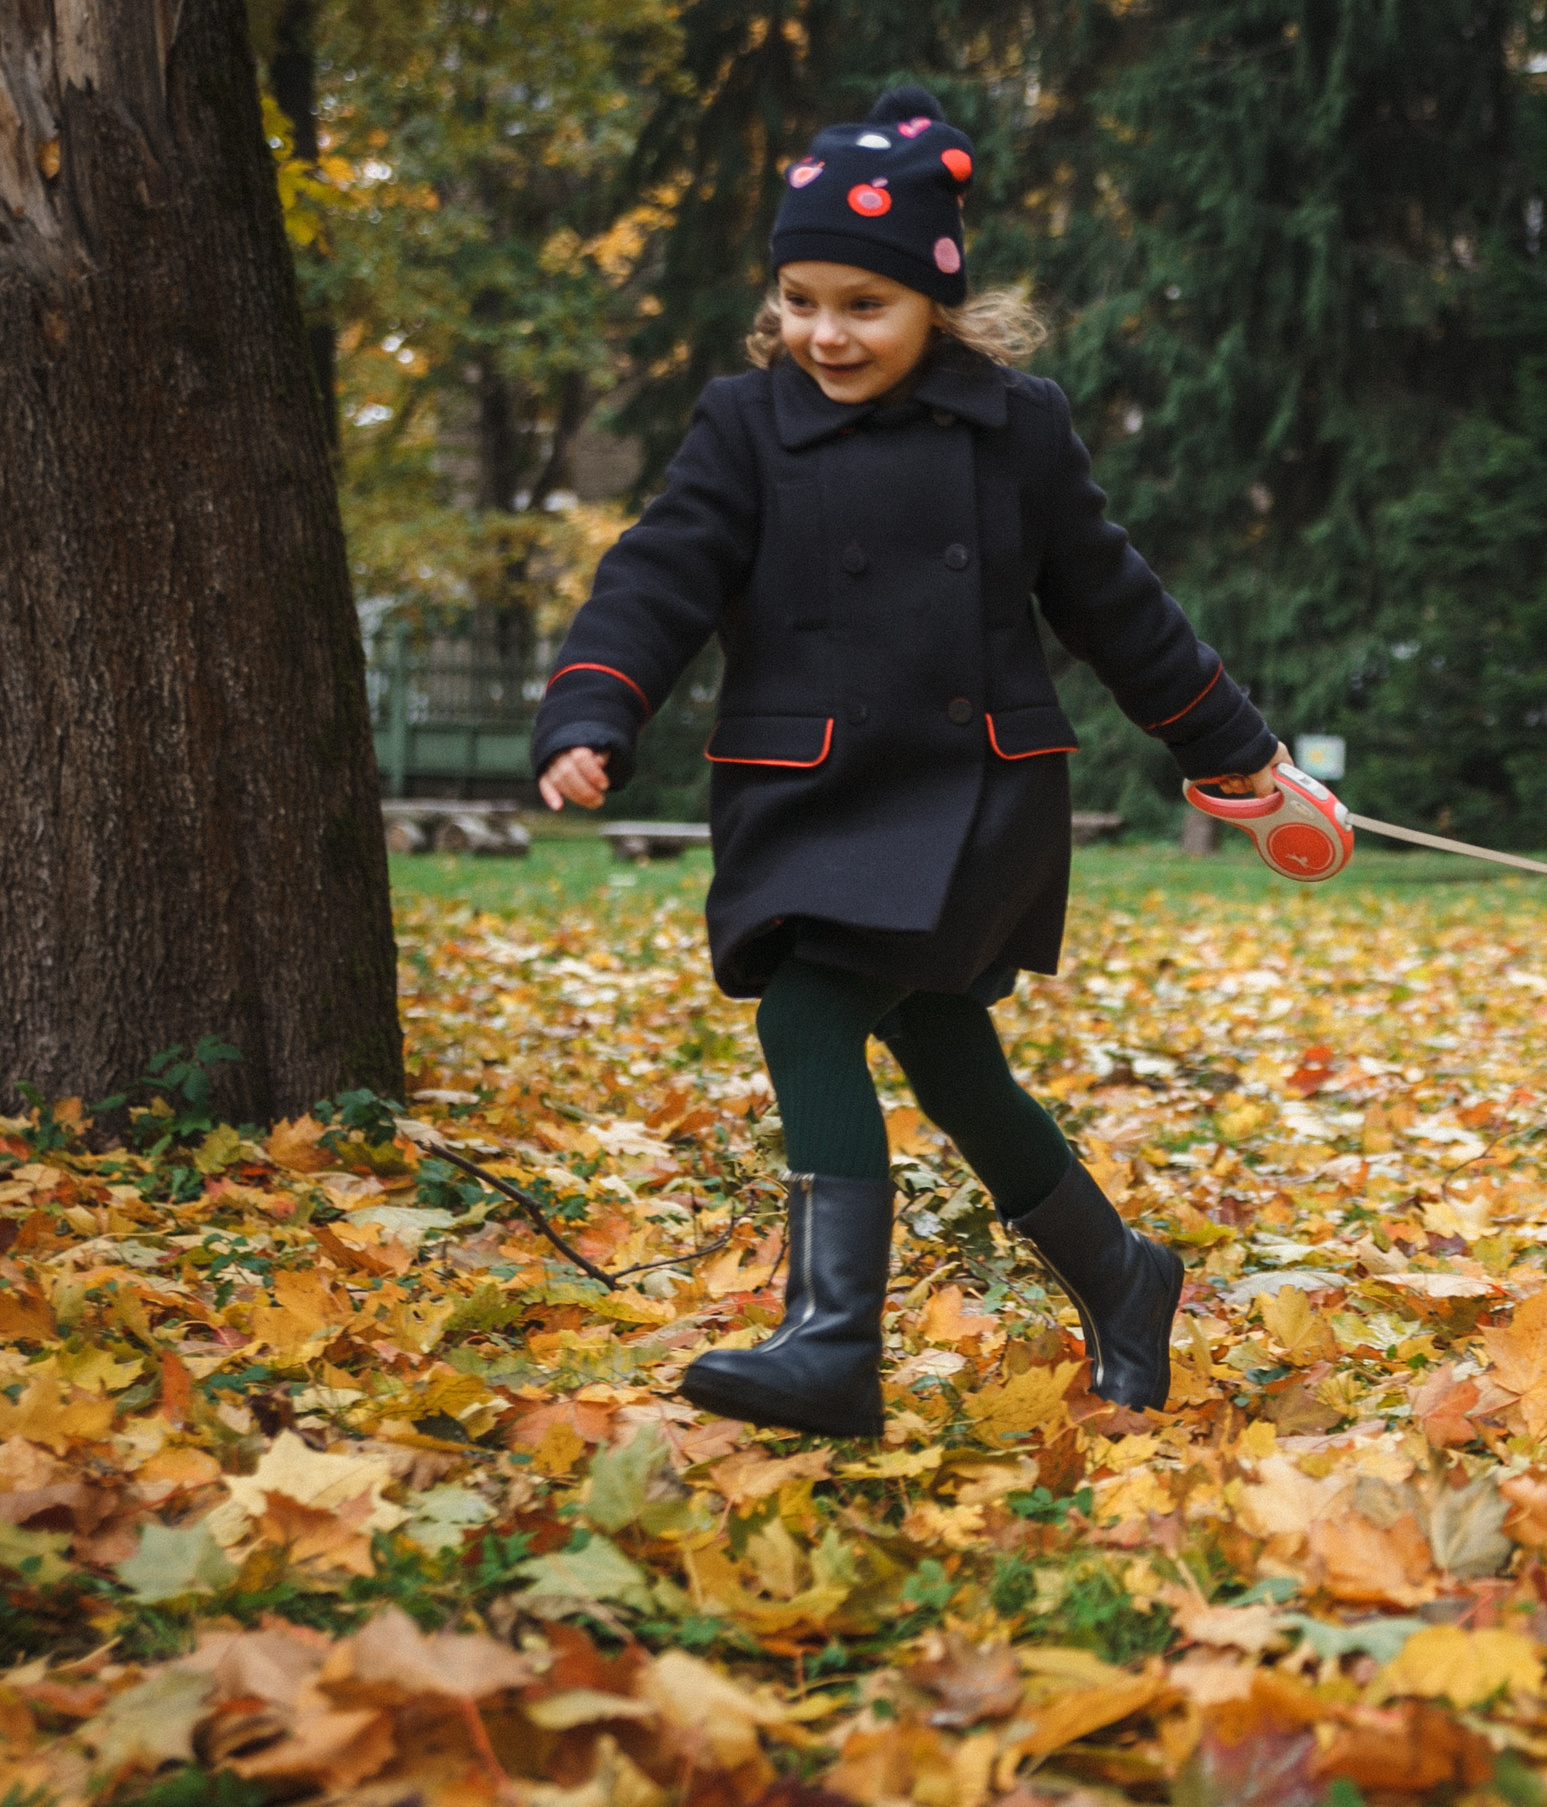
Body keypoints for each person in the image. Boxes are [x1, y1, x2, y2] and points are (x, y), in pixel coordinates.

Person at [530, 85, 1293, 1439]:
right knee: (949, 1057)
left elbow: (1115, 603)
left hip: (969, 791)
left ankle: (832, 1344)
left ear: (936, 303)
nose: (826, 333)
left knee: (809, 1013)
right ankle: (1125, 1278)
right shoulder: (745, 425)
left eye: (864, 305)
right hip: (810, 789)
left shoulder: (1016, 428)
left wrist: (1229, 746)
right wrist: (594, 708)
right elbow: (658, 574)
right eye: (801, 300)